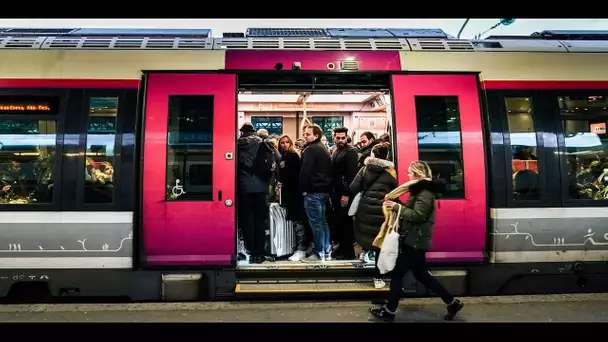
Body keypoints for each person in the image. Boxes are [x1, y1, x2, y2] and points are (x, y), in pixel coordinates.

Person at [369, 160, 463, 321]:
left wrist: (398, 207)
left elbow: (418, 215)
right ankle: (452, 303)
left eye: (410, 172)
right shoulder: (421, 190)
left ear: (417, 174)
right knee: (422, 275)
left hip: (415, 240)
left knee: (397, 275)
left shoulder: (425, 192)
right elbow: (414, 211)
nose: (408, 175)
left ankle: (389, 311)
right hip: (414, 239)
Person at [349, 142, 397, 287]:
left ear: (373, 155)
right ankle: (378, 278)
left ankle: (364, 253)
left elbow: (353, 188)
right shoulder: (391, 173)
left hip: (365, 209)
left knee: (365, 233)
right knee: (379, 243)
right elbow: (396, 192)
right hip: (382, 212)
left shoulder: (364, 169)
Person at [237, 123, 272, 264]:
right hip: (261, 188)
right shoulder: (263, 143)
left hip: (243, 188)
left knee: (247, 221)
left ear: (242, 132)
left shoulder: (237, 144)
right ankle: (259, 252)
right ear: (254, 131)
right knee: (259, 220)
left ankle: (249, 250)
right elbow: (274, 161)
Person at [300, 124, 333, 261]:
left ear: (316, 135)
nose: (305, 136)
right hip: (324, 190)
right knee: (323, 223)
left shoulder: (311, 149)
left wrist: (303, 189)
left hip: (313, 191)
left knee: (316, 225)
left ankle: (318, 252)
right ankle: (326, 251)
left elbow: (305, 171)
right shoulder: (322, 148)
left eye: (308, 134)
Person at [277, 135, 309, 261]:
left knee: (298, 222)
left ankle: (301, 248)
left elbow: (295, 176)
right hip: (290, 193)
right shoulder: (285, 156)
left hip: (295, 193)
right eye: (282, 142)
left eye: (286, 142)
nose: (284, 144)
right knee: (297, 222)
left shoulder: (292, 156)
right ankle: (301, 247)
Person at [329, 126, 359, 260]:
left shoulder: (350, 152)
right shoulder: (336, 150)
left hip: (344, 193)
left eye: (343, 138)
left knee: (346, 223)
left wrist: (346, 194)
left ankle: (348, 252)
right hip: (336, 191)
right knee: (339, 222)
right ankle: (342, 248)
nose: (341, 140)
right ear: (333, 137)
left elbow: (351, 175)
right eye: (338, 138)